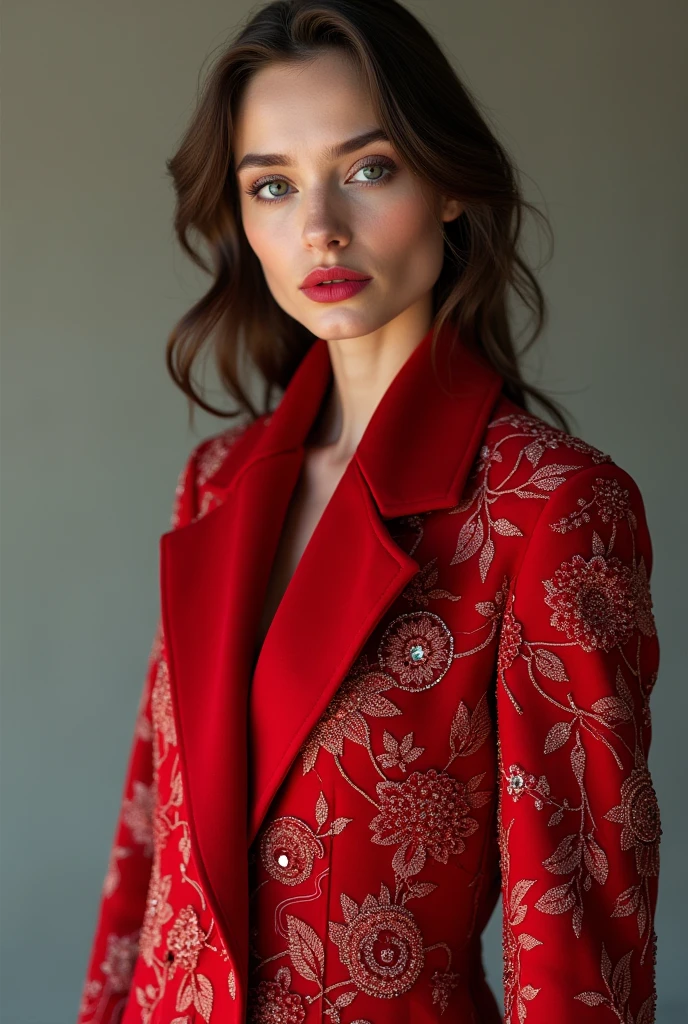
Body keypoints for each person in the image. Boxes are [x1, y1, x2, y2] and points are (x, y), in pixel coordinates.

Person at [75, 2, 661, 1022]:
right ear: (242, 220)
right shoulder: (218, 480)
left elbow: (572, 926)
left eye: (368, 167)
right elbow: (150, 846)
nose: (320, 228)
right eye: (272, 185)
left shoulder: (548, 507)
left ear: (444, 184)